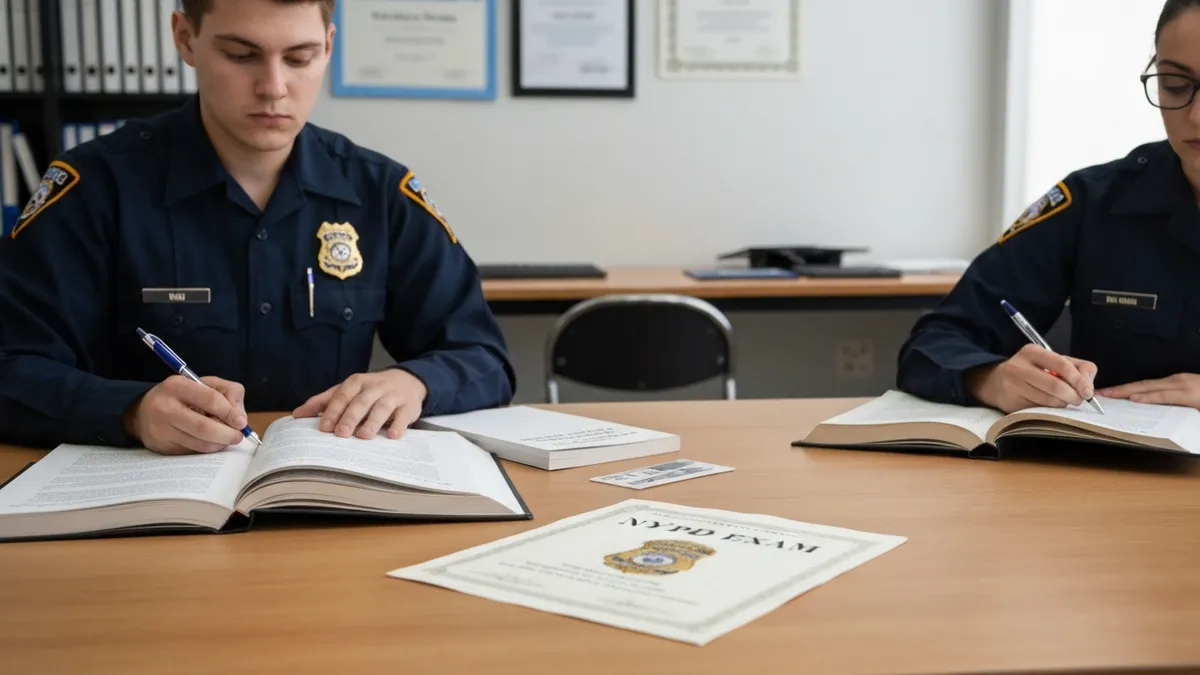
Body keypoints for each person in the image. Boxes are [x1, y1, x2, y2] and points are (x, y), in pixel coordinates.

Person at [0, 0, 515, 454]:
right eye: (241, 55)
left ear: (329, 45)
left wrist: (415, 381)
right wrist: (131, 410)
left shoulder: (379, 191)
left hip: (327, 495)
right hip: (150, 502)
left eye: (299, 57)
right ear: (186, 39)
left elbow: (482, 356)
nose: (274, 87)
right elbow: (12, 365)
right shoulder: (94, 186)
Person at [896, 0, 1200, 414]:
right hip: (1110, 469)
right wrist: (991, 378)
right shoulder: (1093, 202)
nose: (1196, 116)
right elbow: (938, 341)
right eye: (1176, 85)